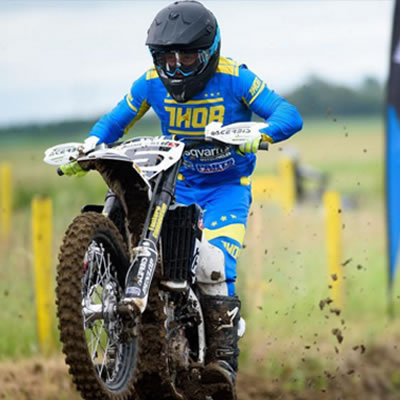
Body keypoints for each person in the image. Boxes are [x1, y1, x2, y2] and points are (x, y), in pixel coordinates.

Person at [61, 0, 303, 396]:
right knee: (135, 236)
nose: (176, 67)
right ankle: (125, 340)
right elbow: (114, 121)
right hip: (173, 187)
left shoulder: (235, 78)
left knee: (213, 264)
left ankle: (222, 361)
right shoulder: (149, 84)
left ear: (209, 51)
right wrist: (88, 146)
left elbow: (288, 114)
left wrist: (260, 135)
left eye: (187, 56)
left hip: (225, 192)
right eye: (166, 58)